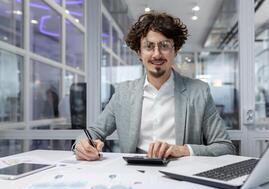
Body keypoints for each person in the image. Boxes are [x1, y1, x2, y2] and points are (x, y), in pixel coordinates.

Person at [74, 11, 236, 161]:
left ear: (175, 50)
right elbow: (93, 132)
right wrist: (83, 145)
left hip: (182, 178)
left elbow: (225, 147)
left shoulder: (199, 92)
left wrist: (183, 150)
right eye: (149, 46)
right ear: (139, 52)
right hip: (134, 175)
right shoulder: (123, 93)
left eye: (164, 45)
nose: (157, 54)